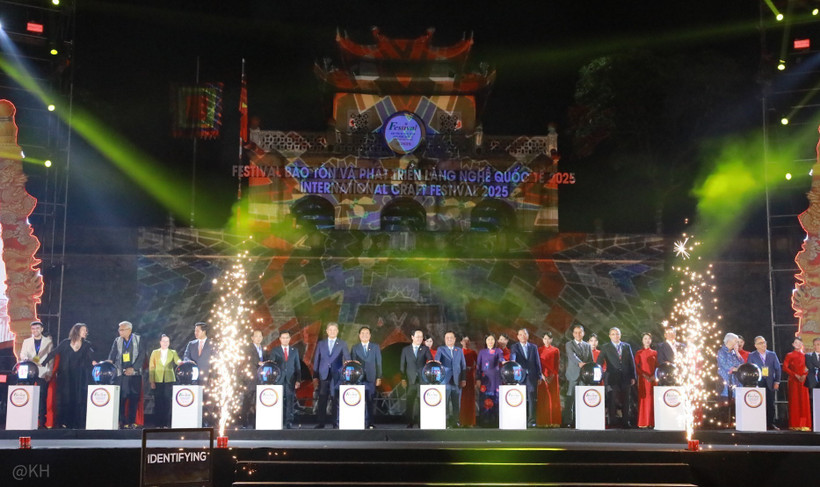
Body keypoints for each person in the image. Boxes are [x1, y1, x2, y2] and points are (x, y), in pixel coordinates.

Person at [42, 323, 95, 429]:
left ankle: (77, 423)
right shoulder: (66, 343)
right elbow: (53, 353)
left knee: (78, 399)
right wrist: (41, 362)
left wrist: (95, 362)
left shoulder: (87, 344)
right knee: (65, 399)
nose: (86, 332)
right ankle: (64, 422)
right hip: (65, 376)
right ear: (77, 331)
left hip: (79, 377)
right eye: (83, 330)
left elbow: (91, 357)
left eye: (86, 330)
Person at [595, 327, 636, 428]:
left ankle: (626, 421)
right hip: (612, 377)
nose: (615, 336)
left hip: (626, 377)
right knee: (612, 400)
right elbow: (599, 361)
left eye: (617, 334)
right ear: (609, 336)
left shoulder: (627, 346)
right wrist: (598, 373)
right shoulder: (606, 347)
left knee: (626, 400)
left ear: (620, 335)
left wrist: (633, 376)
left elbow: (631, 362)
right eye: (613, 334)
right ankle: (612, 421)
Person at [108, 321, 145, 429]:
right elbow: (112, 354)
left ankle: (132, 421)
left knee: (134, 397)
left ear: (129, 330)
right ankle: (122, 421)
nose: (120, 331)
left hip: (135, 374)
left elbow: (142, 355)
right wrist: (108, 362)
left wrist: (133, 368)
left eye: (122, 330)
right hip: (121, 373)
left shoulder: (138, 339)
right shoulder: (117, 340)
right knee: (122, 398)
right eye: (119, 329)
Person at [313, 322, 350, 429]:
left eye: (334, 330)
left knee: (335, 399)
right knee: (322, 398)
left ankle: (335, 422)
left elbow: (347, 359)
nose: (332, 332)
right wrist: (315, 375)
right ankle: (321, 422)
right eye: (330, 330)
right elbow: (317, 359)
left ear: (337, 331)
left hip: (337, 375)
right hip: (323, 374)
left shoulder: (342, 343)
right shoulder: (321, 343)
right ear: (327, 331)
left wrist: (346, 375)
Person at [19, 321, 53, 428]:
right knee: (27, 395)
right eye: (33, 329)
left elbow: (50, 359)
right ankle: (25, 419)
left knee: (42, 396)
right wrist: (24, 358)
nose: (35, 330)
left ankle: (42, 422)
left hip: (42, 372)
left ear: (42, 329)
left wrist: (49, 372)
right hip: (29, 371)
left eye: (37, 328)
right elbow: (23, 353)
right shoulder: (26, 341)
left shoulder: (48, 342)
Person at [746, 335, 782, 430]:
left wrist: (777, 381)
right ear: (756, 345)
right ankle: (758, 422)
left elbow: (778, 369)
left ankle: (771, 423)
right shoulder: (752, 355)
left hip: (770, 382)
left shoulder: (772, 354)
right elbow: (749, 369)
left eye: (764, 342)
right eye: (760, 343)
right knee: (758, 403)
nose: (763, 345)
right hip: (758, 382)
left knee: (771, 403)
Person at [183, 322, 216, 426]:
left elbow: (215, 362)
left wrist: (213, 376)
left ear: (204, 331)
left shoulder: (212, 344)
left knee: (207, 400)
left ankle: (207, 422)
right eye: (195, 330)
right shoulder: (191, 344)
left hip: (207, 377)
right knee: (194, 399)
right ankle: (194, 420)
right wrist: (189, 361)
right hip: (193, 378)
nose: (195, 332)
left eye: (198, 330)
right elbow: (185, 356)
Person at [510, 327, 543, 428]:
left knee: (532, 399)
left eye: (525, 334)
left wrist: (539, 376)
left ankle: (531, 421)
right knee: (520, 398)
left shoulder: (533, 347)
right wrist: (512, 361)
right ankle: (520, 419)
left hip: (532, 377)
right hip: (520, 376)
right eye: (520, 334)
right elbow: (513, 357)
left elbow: (537, 362)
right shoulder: (514, 347)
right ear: (517, 337)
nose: (523, 336)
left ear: (528, 336)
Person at [399, 329, 433, 428]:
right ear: (412, 337)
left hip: (422, 379)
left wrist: (434, 364)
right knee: (410, 401)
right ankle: (410, 421)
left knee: (421, 401)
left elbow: (430, 360)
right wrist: (403, 379)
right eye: (417, 336)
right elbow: (402, 365)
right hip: (410, 380)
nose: (419, 338)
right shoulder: (405, 350)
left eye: (421, 337)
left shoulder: (425, 349)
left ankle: (421, 422)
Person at [350, 326, 382, 428]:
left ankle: (370, 423)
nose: (365, 335)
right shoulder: (355, 348)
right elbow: (352, 365)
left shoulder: (375, 347)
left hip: (371, 378)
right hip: (358, 379)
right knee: (358, 400)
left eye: (367, 333)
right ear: (359, 336)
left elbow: (379, 363)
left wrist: (379, 377)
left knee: (370, 401)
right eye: (362, 333)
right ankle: (358, 422)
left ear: (370, 335)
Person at [148, 334, 181, 428]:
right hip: (157, 380)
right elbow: (151, 367)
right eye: (164, 341)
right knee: (158, 401)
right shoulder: (155, 352)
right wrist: (152, 381)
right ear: (160, 342)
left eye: (167, 341)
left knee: (167, 401)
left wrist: (181, 362)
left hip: (169, 380)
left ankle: (165, 424)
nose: (165, 343)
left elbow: (177, 360)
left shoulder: (172, 352)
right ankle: (157, 424)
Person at [435, 330, 466, 428]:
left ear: (455, 339)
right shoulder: (441, 349)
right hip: (445, 380)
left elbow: (463, 365)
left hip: (457, 380)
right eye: (447, 338)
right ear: (444, 339)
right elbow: (437, 363)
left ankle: (456, 421)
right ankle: (446, 422)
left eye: (451, 338)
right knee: (445, 403)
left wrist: (463, 379)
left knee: (456, 403)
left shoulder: (459, 350)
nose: (449, 339)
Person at [271, 331, 301, 429]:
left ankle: (289, 421)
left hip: (291, 379)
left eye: (287, 337)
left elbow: (298, 367)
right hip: (278, 380)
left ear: (289, 338)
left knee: (290, 401)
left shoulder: (294, 350)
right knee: (277, 400)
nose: (285, 339)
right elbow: (272, 365)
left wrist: (298, 380)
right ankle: (276, 420)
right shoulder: (275, 350)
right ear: (280, 339)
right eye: (283, 338)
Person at [564, 324, 593, 427]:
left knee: (583, 399)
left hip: (584, 376)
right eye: (575, 332)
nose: (578, 334)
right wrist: (581, 363)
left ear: (583, 333)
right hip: (573, 374)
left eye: (580, 332)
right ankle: (568, 421)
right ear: (573, 334)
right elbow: (572, 356)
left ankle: (582, 419)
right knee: (570, 398)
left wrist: (590, 371)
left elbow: (590, 360)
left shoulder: (587, 345)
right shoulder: (569, 344)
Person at [716, 332, 744, 427]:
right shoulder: (721, 352)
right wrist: (735, 368)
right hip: (724, 379)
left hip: (734, 381)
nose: (737, 343)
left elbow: (742, 363)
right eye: (736, 341)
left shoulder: (733, 353)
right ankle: (723, 423)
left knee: (733, 402)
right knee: (724, 401)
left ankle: (732, 422)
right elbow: (724, 365)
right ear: (730, 341)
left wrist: (737, 352)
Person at [783, 337, 811, 431]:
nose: (797, 344)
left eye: (799, 343)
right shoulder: (789, 355)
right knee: (794, 402)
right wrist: (795, 375)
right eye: (796, 343)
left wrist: (804, 375)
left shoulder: (806, 356)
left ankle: (804, 424)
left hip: (803, 381)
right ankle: (794, 424)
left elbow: (808, 367)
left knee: (804, 402)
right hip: (793, 381)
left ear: (801, 344)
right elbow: (785, 367)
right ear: (793, 344)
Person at [476, 334, 503, 427]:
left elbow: (501, 359)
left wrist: (504, 362)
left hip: (495, 379)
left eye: (492, 339)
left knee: (495, 399)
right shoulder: (482, 352)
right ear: (485, 341)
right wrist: (478, 379)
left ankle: (495, 421)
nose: (490, 341)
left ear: (495, 341)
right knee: (484, 399)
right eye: (488, 339)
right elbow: (478, 366)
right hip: (484, 379)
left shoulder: (498, 351)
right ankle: (484, 421)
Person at [537, 331, 561, 427]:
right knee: (543, 399)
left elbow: (557, 364)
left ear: (551, 339)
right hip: (542, 377)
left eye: (549, 339)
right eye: (545, 338)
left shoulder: (555, 350)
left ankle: (554, 422)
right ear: (542, 339)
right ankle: (543, 422)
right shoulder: (539, 350)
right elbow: (537, 364)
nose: (547, 340)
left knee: (554, 398)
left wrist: (552, 376)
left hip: (553, 377)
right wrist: (542, 375)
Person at [634, 332, 657, 429]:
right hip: (643, 379)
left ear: (651, 340)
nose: (647, 340)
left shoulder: (655, 353)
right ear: (642, 340)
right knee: (643, 400)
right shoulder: (639, 353)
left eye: (649, 339)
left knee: (652, 400)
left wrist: (653, 376)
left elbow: (658, 366)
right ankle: (643, 421)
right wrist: (643, 375)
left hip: (653, 379)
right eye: (645, 339)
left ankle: (652, 422)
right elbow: (636, 366)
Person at [460, 336, 477, 427]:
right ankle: (462, 421)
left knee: (470, 400)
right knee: (462, 400)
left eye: (468, 341)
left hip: (470, 378)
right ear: (461, 342)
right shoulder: (459, 352)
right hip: (461, 378)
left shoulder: (472, 352)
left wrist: (473, 371)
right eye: (464, 341)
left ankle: (471, 422)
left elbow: (479, 364)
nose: (466, 342)